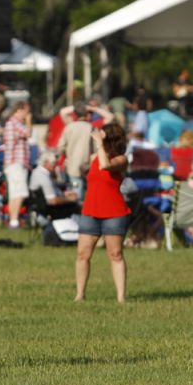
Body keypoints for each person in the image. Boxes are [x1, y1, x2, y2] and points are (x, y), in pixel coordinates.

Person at [75, 123, 131, 303]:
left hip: (114, 212)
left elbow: (105, 165)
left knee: (115, 254)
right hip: (90, 210)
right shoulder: (94, 156)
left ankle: (121, 297)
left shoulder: (122, 159)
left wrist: (99, 144)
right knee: (83, 254)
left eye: (102, 134)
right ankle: (80, 295)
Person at [2, 101, 32, 229]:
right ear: (19, 110)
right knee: (20, 192)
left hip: (13, 163)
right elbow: (28, 133)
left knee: (15, 194)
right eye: (26, 111)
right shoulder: (14, 123)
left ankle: (13, 220)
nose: (27, 114)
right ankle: (14, 221)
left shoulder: (11, 123)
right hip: (16, 163)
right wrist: (29, 121)